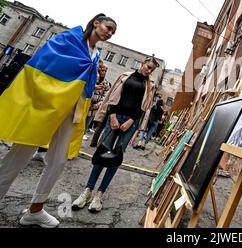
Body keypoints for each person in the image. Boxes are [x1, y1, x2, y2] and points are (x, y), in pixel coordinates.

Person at [0, 14, 117, 228]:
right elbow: (43, 65)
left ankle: (35, 210)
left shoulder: (96, 53)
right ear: (96, 23)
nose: (109, 33)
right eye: (108, 27)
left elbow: (83, 82)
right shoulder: (68, 40)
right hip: (46, 107)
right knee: (20, 154)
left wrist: (97, 78)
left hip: (72, 111)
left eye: (113, 32)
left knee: (58, 161)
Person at [72, 57, 158, 212]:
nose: (149, 70)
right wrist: (112, 116)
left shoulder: (150, 85)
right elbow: (112, 96)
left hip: (130, 123)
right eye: (148, 66)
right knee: (102, 152)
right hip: (115, 116)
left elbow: (145, 107)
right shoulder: (126, 76)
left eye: (152, 69)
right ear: (142, 63)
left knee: (116, 156)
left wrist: (132, 120)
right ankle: (87, 190)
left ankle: (100, 193)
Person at [84, 61, 110, 142]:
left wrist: (98, 105)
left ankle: (84, 133)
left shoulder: (106, 83)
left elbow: (105, 96)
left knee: (88, 121)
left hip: (95, 107)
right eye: (102, 69)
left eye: (105, 70)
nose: (104, 72)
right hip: (86, 103)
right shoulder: (92, 79)